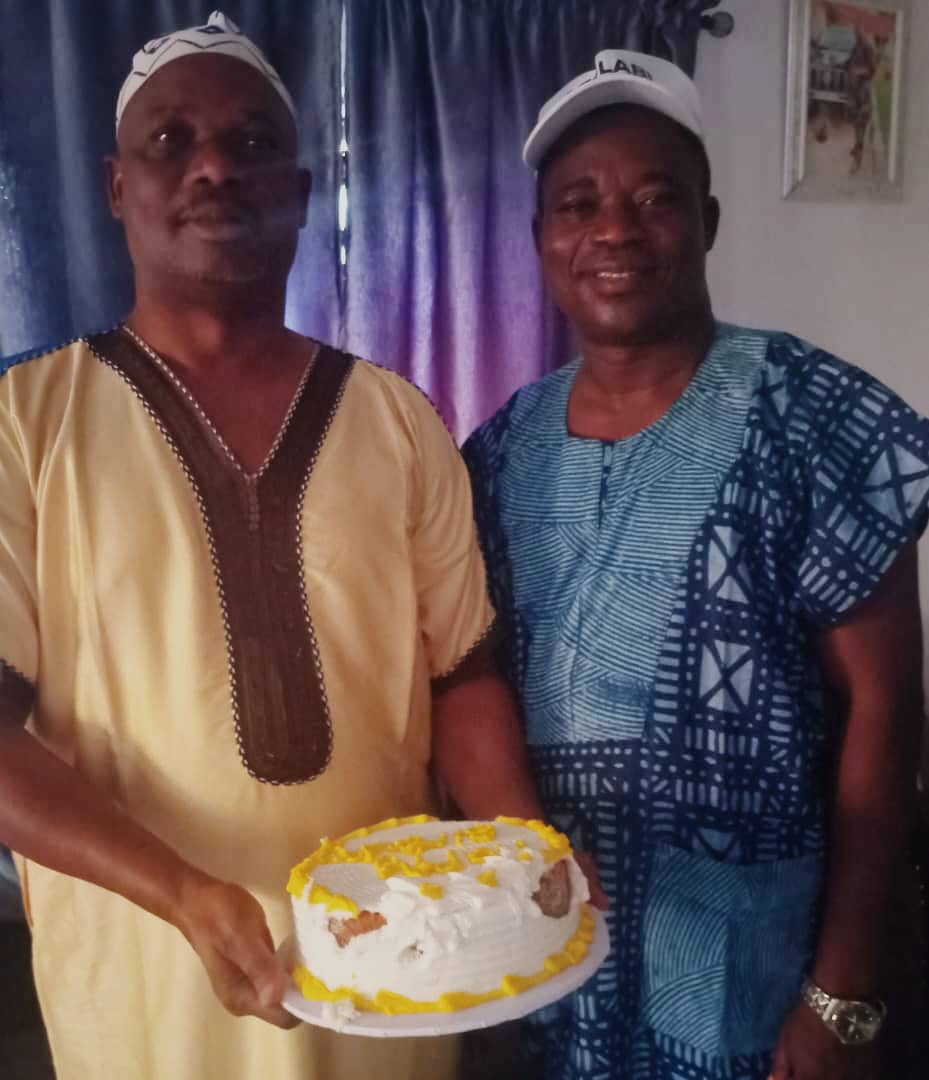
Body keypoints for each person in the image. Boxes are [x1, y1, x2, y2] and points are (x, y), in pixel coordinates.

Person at [0, 13, 552, 1080]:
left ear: (301, 192)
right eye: (172, 141)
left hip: (392, 982)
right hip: (145, 998)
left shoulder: (397, 421)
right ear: (117, 185)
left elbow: (463, 676)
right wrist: (179, 892)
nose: (213, 167)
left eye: (252, 142)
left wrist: (523, 855)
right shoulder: (27, 427)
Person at [463, 49, 929, 1080]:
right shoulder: (495, 453)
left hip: (747, 978)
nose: (614, 230)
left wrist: (841, 991)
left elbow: (887, 709)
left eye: (654, 199)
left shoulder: (816, 418)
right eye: (577, 205)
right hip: (548, 972)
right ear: (540, 240)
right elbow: (466, 683)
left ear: (707, 222)